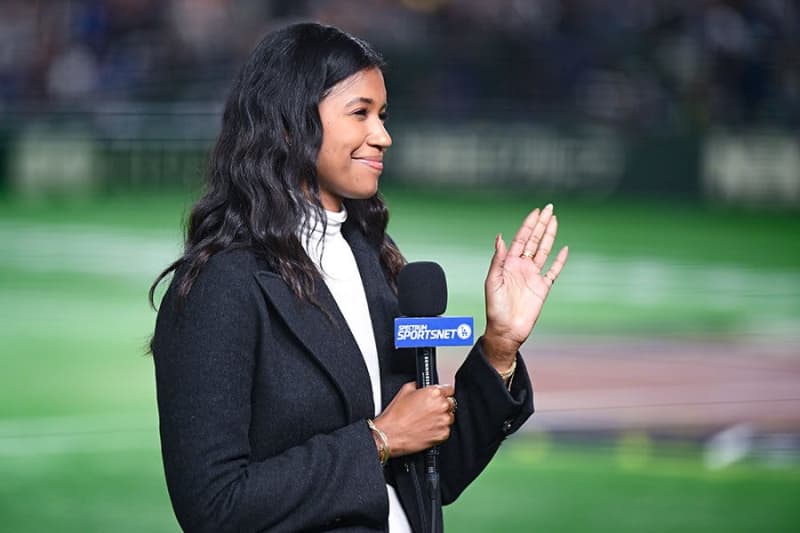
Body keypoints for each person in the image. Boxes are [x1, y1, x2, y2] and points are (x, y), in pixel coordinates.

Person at [149, 22, 568, 533]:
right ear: (289, 124)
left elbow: (429, 478)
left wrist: (499, 347)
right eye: (360, 113)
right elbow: (214, 506)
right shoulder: (221, 286)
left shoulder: (377, 263)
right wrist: (378, 440)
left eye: (383, 116)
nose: (383, 136)